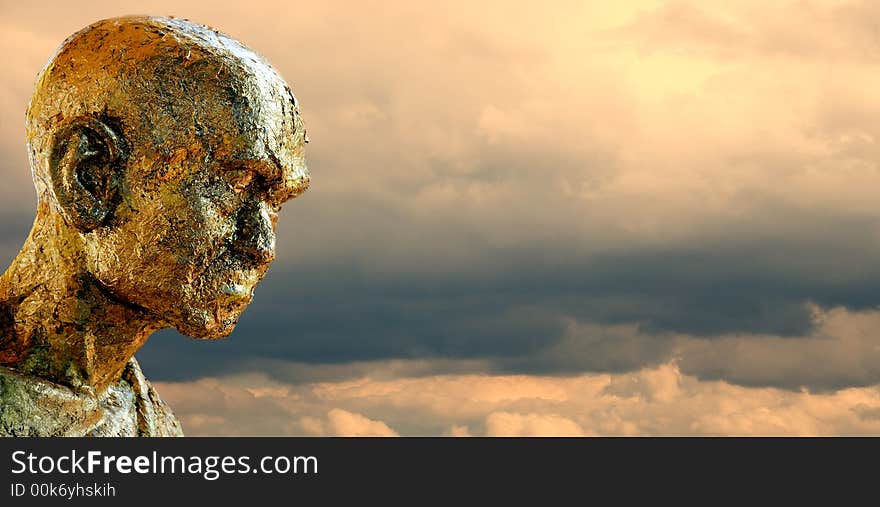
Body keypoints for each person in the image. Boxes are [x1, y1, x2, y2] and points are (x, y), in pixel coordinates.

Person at [0, 16, 309, 436]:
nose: (261, 245)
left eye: (274, 202)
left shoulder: (149, 421)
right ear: (89, 177)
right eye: (230, 185)